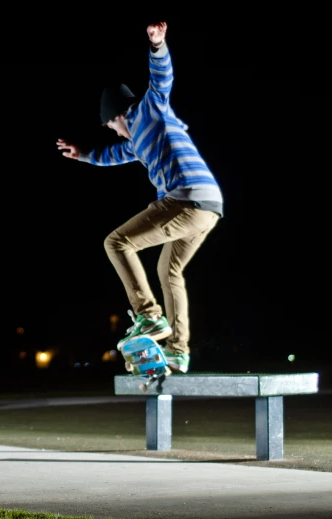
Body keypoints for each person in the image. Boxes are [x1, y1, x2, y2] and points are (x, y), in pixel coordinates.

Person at [56, 21, 223, 374]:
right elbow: (112, 155)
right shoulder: (136, 143)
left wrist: (158, 45)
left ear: (116, 115)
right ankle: (178, 350)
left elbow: (162, 80)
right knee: (169, 270)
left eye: (111, 126)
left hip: (186, 198)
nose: (114, 132)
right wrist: (82, 154)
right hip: (208, 207)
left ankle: (149, 316)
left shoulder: (150, 109)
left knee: (116, 242)